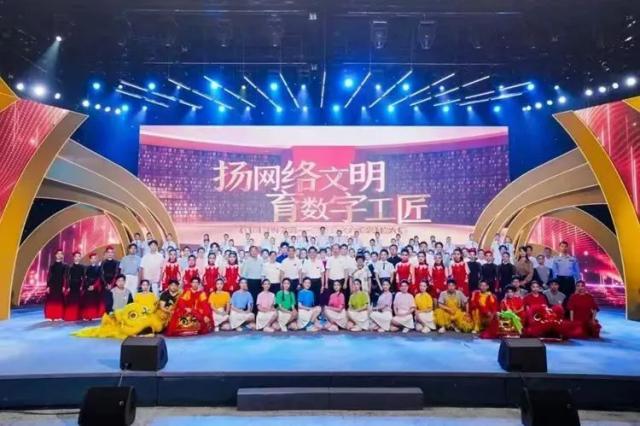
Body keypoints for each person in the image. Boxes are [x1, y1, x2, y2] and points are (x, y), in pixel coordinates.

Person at [45, 249, 67, 321]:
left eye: (61, 254)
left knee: (59, 301)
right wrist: (48, 286)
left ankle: (58, 315)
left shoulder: (65, 266)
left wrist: (64, 285)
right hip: (52, 285)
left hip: (60, 285)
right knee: (52, 300)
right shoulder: (52, 266)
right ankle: (51, 315)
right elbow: (49, 276)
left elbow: (65, 276)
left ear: (62, 256)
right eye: (58, 254)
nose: (59, 255)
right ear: (55, 255)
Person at [80, 252, 103, 320]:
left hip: (96, 287)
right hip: (88, 286)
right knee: (88, 302)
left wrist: (94, 286)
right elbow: (84, 278)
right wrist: (88, 286)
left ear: (96, 259)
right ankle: (87, 316)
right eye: (92, 258)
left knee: (95, 301)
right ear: (90, 260)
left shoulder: (99, 268)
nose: (93, 260)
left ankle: (94, 316)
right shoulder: (87, 268)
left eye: (95, 258)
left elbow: (99, 278)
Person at [64, 251, 84, 321]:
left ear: (80, 257)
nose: (77, 258)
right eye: (76, 256)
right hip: (72, 285)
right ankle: (71, 316)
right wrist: (68, 286)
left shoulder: (82, 267)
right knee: (71, 301)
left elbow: (83, 277)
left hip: (79, 285)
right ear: (73, 257)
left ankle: (78, 316)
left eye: (79, 256)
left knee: (78, 301)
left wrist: (82, 286)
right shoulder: (70, 267)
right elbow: (67, 277)